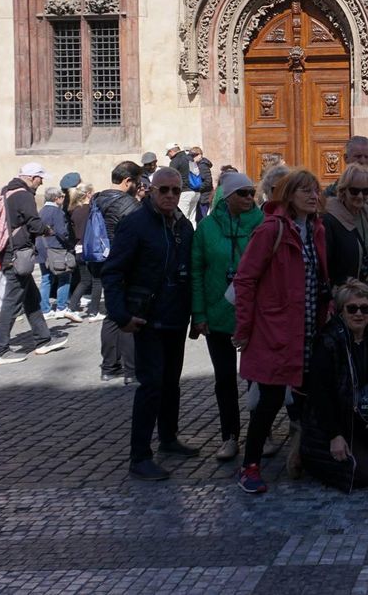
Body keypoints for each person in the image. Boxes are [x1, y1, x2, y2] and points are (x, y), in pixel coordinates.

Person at [231, 167, 331, 492]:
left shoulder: (316, 229)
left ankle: (307, 457)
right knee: (270, 400)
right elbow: (245, 279)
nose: (313, 196)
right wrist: (244, 327)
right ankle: (250, 465)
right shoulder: (271, 229)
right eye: (305, 191)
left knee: (306, 398)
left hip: (309, 329)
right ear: (288, 195)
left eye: (316, 190)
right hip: (276, 330)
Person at [103, 169, 197, 480]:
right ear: (151, 191)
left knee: (171, 382)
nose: (170, 195)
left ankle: (168, 437)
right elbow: (113, 271)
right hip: (147, 317)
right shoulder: (135, 224)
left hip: (175, 316)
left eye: (175, 190)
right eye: (163, 190)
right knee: (151, 384)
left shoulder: (183, 225)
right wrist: (120, 314)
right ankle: (140, 456)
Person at [297, 281, 368, 491]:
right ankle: (312, 455)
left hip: (364, 416)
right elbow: (320, 395)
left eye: (365, 309)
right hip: (338, 422)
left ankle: (366, 453)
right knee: (360, 477)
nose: (359, 313)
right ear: (341, 311)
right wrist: (334, 435)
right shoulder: (328, 342)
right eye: (352, 308)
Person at [190, 170, 263, 463]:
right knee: (224, 379)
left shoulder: (261, 224)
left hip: (254, 314)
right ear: (228, 197)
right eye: (242, 194)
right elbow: (197, 271)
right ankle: (229, 435)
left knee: (256, 378)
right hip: (217, 312)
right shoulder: (207, 228)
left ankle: (261, 433)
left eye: (251, 193)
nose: (249, 198)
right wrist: (199, 313)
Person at [0, 164, 69, 366]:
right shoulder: (23, 195)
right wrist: (47, 230)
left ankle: (43, 340)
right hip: (17, 254)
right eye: (40, 178)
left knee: (31, 299)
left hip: (10, 251)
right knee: (11, 303)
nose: (41, 183)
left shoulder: (7, 191)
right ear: (32, 177)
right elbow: (34, 224)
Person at [89, 162, 143, 382]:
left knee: (112, 314)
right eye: (138, 182)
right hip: (125, 263)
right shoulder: (128, 204)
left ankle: (109, 367)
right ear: (128, 181)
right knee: (129, 313)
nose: (140, 186)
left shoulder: (98, 199)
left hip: (103, 261)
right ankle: (132, 370)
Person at [324, 164, 368, 310]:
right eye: (354, 191)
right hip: (342, 300)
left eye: (366, 191)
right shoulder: (329, 218)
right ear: (343, 190)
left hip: (367, 296)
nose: (360, 196)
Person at [36, 186, 78, 322]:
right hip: (56, 248)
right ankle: (61, 307)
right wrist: (70, 244)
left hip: (42, 248)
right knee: (64, 276)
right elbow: (62, 232)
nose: (63, 199)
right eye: (62, 197)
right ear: (56, 198)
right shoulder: (57, 212)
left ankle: (45, 309)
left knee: (46, 279)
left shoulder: (41, 211)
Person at [64, 183, 105, 321]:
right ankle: (94, 312)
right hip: (91, 247)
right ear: (88, 194)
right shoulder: (90, 210)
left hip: (79, 247)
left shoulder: (75, 210)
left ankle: (71, 308)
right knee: (97, 280)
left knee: (84, 280)